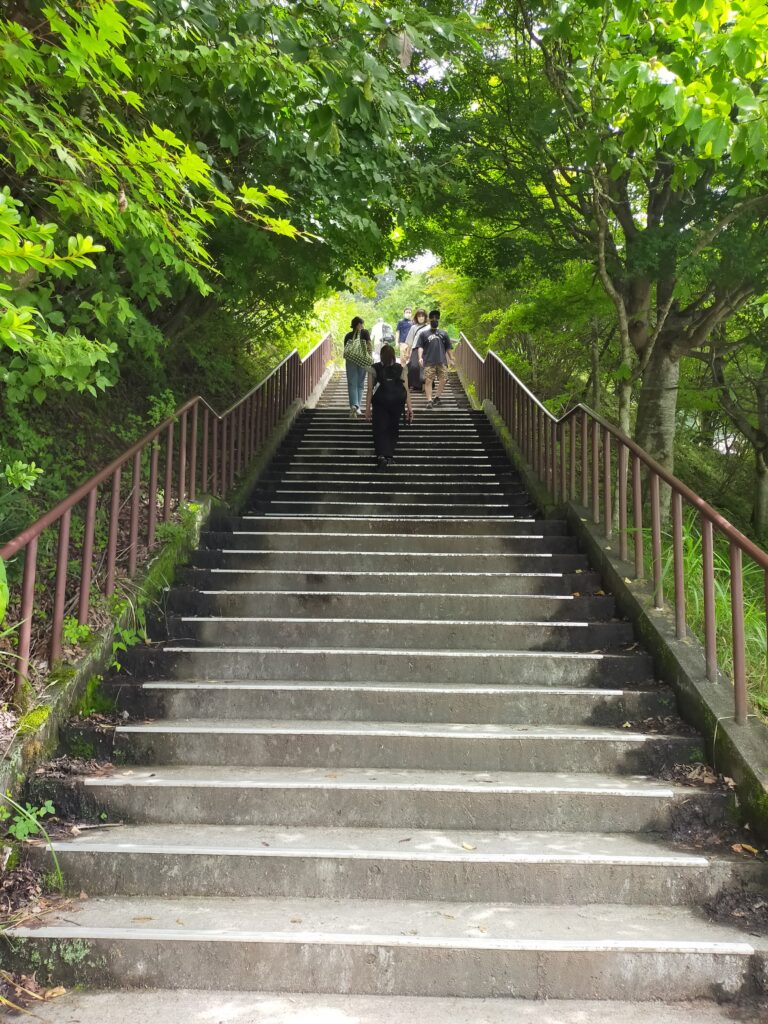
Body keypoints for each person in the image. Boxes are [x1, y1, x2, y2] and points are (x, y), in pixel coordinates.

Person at [365, 343, 413, 467]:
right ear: (393, 355)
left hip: (380, 402)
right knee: (393, 427)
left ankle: (381, 454)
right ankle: (389, 455)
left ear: (381, 356)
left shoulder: (374, 368)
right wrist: (410, 408)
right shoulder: (401, 368)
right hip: (397, 402)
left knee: (380, 427)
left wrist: (367, 409)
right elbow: (406, 389)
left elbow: (370, 389)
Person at [417, 309, 454, 408]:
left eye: (436, 318)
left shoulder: (444, 333)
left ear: (438, 320)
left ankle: (437, 397)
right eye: (432, 318)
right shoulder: (423, 334)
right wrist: (420, 357)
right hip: (429, 361)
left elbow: (449, 347)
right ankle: (429, 400)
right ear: (429, 320)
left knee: (444, 379)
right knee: (428, 381)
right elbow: (420, 347)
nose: (434, 320)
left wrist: (452, 358)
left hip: (442, 361)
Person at [343, 316, 372, 418]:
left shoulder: (347, 335)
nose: (363, 326)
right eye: (362, 324)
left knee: (352, 384)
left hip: (351, 360)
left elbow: (345, 350)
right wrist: (370, 359)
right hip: (362, 360)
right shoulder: (365, 332)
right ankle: (358, 407)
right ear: (359, 324)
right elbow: (369, 346)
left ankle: (354, 405)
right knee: (360, 384)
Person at [404, 308, 428, 390]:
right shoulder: (413, 327)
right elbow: (410, 341)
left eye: (422, 316)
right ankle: (414, 384)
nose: (421, 318)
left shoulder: (429, 327)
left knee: (425, 367)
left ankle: (424, 385)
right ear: (416, 317)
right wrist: (407, 353)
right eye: (419, 316)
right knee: (414, 366)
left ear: (425, 317)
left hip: (427, 350)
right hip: (415, 349)